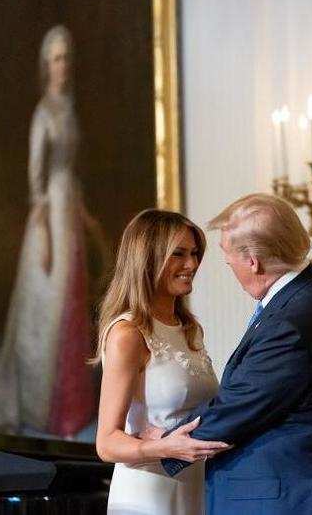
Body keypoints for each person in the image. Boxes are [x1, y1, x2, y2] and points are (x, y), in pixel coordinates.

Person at [154, 193, 312, 514]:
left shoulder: (292, 320)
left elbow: (241, 405)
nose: (228, 263)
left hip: (292, 499)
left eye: (227, 255)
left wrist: (164, 441)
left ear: (253, 261)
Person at [0, 25, 106, 438]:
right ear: (45, 64)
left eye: (67, 57)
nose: (62, 65)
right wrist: (49, 237)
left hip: (69, 204)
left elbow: (70, 173)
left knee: (74, 305)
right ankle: (44, 410)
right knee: (49, 311)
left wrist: (85, 217)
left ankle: (72, 410)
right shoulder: (44, 112)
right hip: (50, 215)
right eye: (55, 58)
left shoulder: (69, 107)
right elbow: (38, 178)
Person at [94, 209, 229, 515]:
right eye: (178, 254)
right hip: (147, 495)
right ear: (147, 259)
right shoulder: (128, 333)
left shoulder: (190, 329)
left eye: (194, 254)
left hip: (196, 488)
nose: (191, 264)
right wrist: (163, 447)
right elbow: (106, 443)